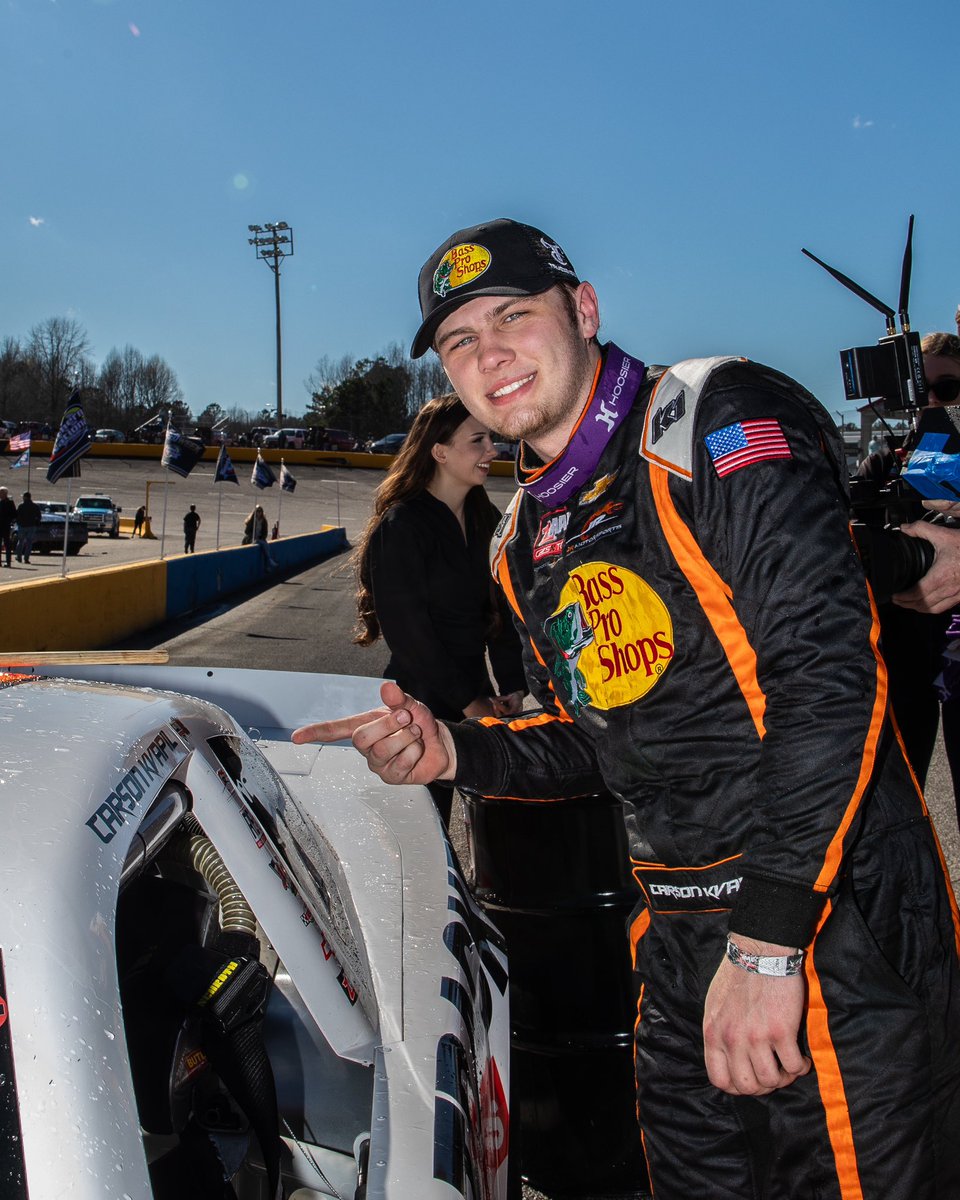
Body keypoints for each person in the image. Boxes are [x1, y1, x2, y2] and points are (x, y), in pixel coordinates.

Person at [292, 217, 960, 1197]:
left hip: (825, 922)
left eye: (513, 316)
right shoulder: (525, 540)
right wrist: (455, 754)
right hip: (679, 946)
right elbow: (597, 741)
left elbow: (827, 685)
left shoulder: (709, 417)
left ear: (585, 309)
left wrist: (770, 944)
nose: (490, 355)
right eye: (460, 341)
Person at [352, 393, 526, 824]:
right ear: (440, 451)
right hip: (416, 702)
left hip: (478, 697)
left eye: (492, 440)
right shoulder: (402, 525)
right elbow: (411, 636)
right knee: (423, 833)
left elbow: (500, 611)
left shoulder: (488, 519)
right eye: (478, 441)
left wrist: (512, 686)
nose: (492, 451)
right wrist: (471, 705)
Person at [14, 491, 41, 563]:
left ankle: (19, 557)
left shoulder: (21, 506)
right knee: (29, 543)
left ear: (25, 497)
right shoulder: (35, 506)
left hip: (22, 526)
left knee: (20, 542)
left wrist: (18, 522)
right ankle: (26, 558)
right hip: (32, 526)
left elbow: (17, 516)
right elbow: (39, 516)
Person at [0, 486, 16, 567]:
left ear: (5, 493)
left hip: (6, 526)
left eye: (1, 492)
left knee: (7, 545)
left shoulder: (9, 503)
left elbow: (14, 514)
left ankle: (8, 562)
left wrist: (8, 520)